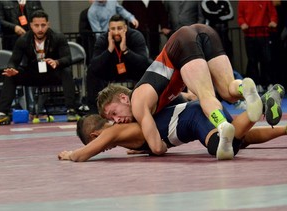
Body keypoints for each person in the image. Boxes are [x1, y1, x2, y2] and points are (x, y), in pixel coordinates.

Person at [97, 24, 265, 160]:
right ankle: (245, 89)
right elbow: (187, 97)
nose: (117, 120)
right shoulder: (151, 96)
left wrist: (150, 145)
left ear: (123, 97)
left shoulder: (138, 103)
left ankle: (222, 125)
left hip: (182, 44)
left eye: (114, 113)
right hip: (205, 32)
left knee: (205, 95)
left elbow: (156, 147)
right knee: (228, 91)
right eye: (111, 119)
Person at [58, 85, 286, 162]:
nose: (116, 120)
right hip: (196, 111)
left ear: (96, 136)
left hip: (194, 117)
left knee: (223, 147)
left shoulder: (114, 132)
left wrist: (70, 154)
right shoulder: (132, 124)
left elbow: (82, 155)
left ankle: (259, 108)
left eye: (114, 114)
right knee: (240, 137)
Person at [0, 10, 78, 125]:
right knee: (11, 75)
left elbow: (68, 58)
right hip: (32, 73)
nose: (40, 29)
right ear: (31, 26)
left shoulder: (58, 37)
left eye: (43, 25)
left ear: (48, 24)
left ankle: (71, 110)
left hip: (52, 73)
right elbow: (13, 61)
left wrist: (57, 62)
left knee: (66, 71)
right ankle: (2, 113)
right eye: (36, 25)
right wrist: (12, 69)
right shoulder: (23, 40)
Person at [86, 14, 152, 114]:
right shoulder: (103, 39)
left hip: (132, 69)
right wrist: (109, 50)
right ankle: (95, 112)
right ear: (109, 29)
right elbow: (94, 65)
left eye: (119, 28)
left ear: (125, 28)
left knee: (150, 66)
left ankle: (148, 105)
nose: (116, 32)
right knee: (92, 71)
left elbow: (143, 62)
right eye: (113, 29)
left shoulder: (135, 36)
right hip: (111, 71)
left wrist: (125, 50)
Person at [238, 0, 278, 93]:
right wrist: (242, 23)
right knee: (252, 61)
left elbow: (273, 13)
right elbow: (240, 16)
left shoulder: (266, 1)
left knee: (267, 59)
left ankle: (268, 83)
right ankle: (256, 83)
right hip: (250, 35)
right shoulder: (243, 2)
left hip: (264, 33)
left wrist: (273, 21)